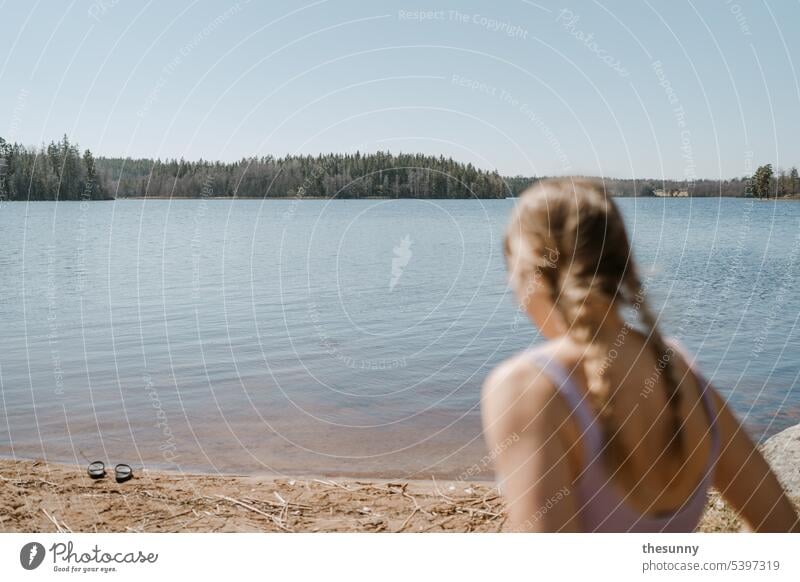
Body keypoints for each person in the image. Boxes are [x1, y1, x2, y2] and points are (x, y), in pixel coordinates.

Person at [481, 178, 799, 532]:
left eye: (511, 272)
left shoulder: (525, 387)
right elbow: (783, 526)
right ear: (621, 262)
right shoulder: (676, 367)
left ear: (533, 273)